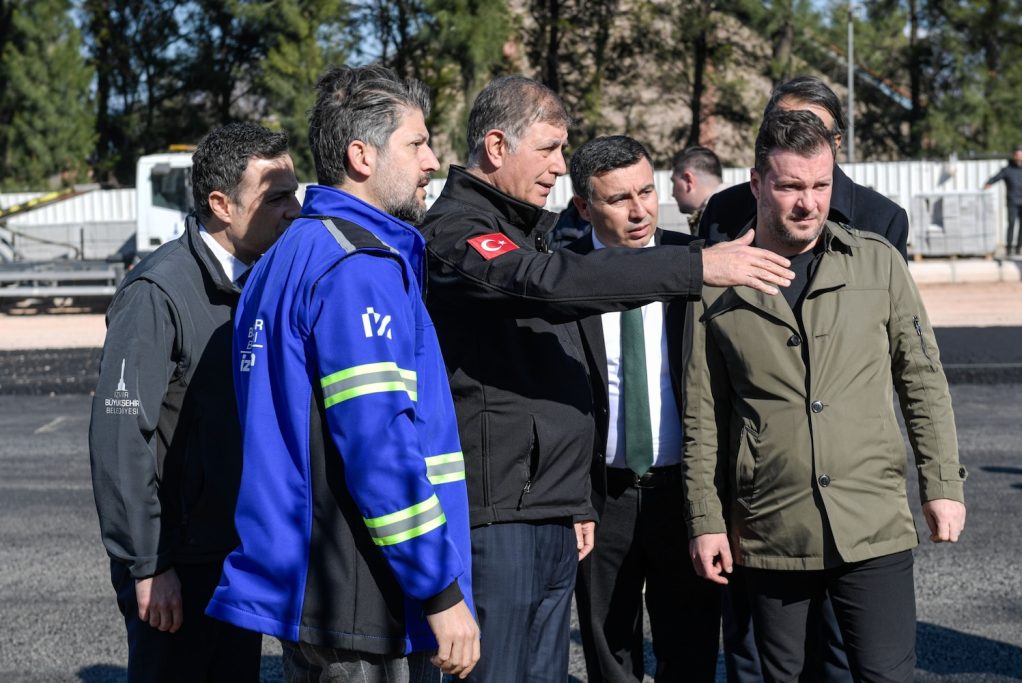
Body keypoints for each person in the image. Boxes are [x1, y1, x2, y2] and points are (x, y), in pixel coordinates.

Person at [419, 74, 793, 683]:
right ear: (496, 146)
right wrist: (692, 267)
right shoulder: (469, 233)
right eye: (549, 149)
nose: (558, 165)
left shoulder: (525, 232)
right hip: (513, 510)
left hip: (573, 502)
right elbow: (539, 285)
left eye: (648, 192)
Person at [205, 65, 479, 681]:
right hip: (365, 589)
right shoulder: (357, 266)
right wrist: (441, 589)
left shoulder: (284, 256)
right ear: (361, 156)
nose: (432, 161)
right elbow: (379, 445)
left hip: (312, 583)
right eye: (417, 143)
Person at [683, 109, 968, 683]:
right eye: (791, 186)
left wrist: (942, 484)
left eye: (820, 185)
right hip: (771, 526)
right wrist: (705, 518)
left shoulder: (877, 263)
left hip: (873, 521)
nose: (808, 203)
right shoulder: (717, 284)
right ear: (757, 184)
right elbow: (702, 412)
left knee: (886, 674)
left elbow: (922, 380)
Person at [89, 122, 300, 681]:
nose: (294, 210)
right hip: (177, 563)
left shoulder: (260, 282)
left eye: (294, 193)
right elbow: (120, 439)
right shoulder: (157, 293)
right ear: (221, 205)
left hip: (235, 553)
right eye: (276, 198)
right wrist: (149, 564)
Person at [566, 135, 720, 682]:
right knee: (610, 656)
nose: (640, 212)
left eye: (647, 192)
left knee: (692, 652)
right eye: (619, 199)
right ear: (584, 206)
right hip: (599, 499)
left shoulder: (696, 263)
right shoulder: (559, 275)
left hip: (685, 494)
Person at [698, 75, 909, 261]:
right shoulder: (723, 210)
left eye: (814, 129)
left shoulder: (883, 219)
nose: (797, 136)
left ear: (836, 142)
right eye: (784, 126)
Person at [670, 145, 723, 233]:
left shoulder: (720, 217)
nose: (672, 194)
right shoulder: (715, 214)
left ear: (688, 180)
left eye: (674, 182)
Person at [983, 145, 1022, 256]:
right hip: (1012, 202)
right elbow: (996, 177)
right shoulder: (1007, 170)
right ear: (1014, 156)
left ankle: (1019, 247)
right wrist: (988, 183)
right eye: (1018, 155)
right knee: (1011, 224)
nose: (1020, 158)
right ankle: (1009, 248)